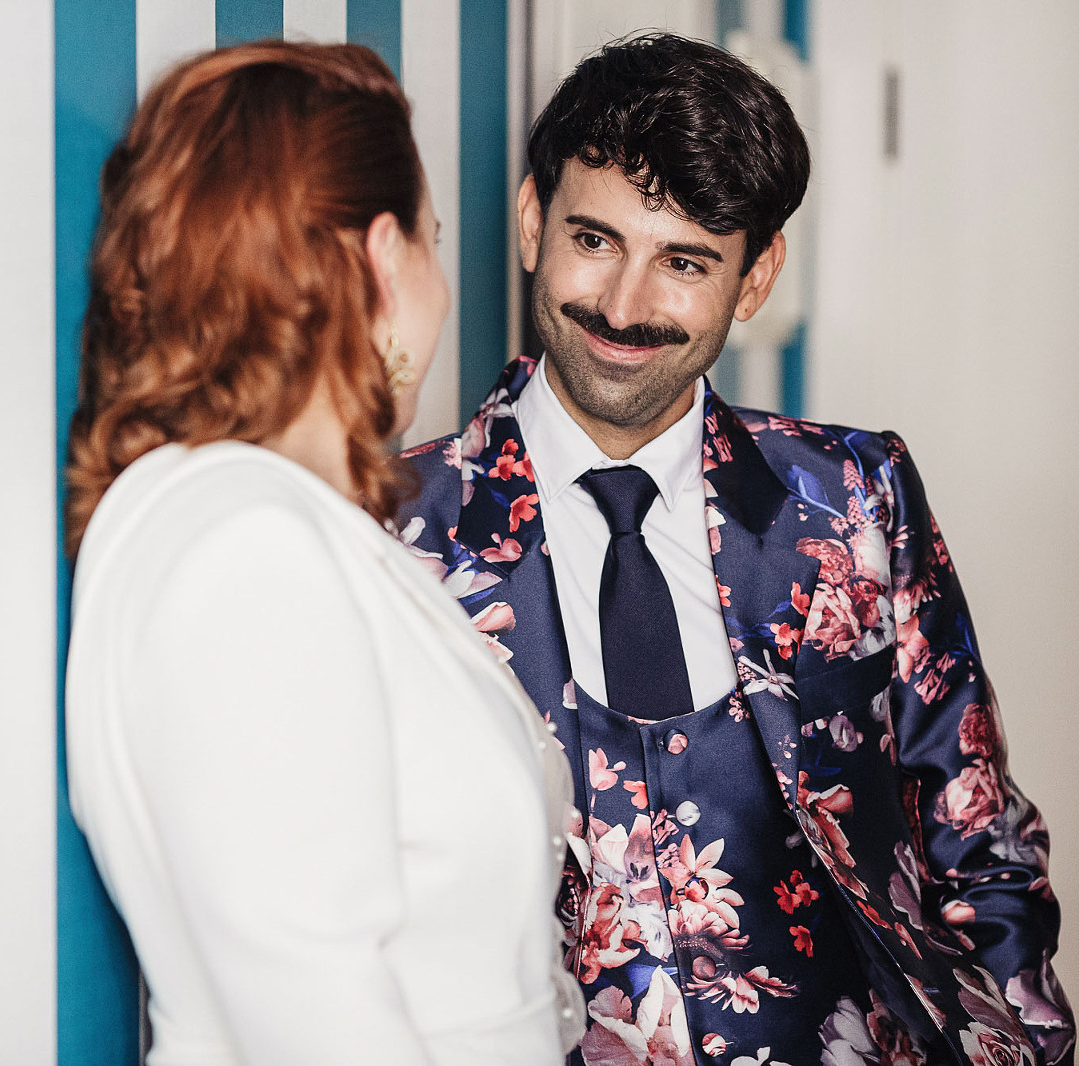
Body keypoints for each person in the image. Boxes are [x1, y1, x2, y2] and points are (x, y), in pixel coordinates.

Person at [398, 32, 1074, 1066]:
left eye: (683, 262)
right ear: (533, 222)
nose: (623, 306)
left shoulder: (855, 498)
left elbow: (975, 828)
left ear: (754, 276)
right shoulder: (396, 527)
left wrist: (1023, 1039)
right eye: (595, 239)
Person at [63, 41, 581, 1065]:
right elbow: (315, 1004)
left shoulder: (267, 519)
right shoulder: (247, 549)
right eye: (431, 243)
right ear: (380, 261)